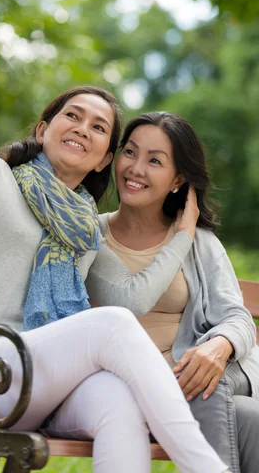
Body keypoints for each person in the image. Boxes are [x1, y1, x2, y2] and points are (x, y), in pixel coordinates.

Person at [0, 33, 231, 473]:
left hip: (43, 385)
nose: (82, 128)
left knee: (117, 399)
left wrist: (183, 234)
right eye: (72, 115)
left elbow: (128, 300)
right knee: (112, 327)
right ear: (43, 129)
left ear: (104, 159)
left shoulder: (86, 229)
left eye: (98, 127)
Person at [87, 112, 259, 473]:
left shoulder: (202, 242)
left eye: (154, 161)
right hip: (124, 389)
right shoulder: (89, 234)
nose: (136, 169)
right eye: (130, 153)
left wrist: (219, 345)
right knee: (250, 417)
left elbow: (238, 317)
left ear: (178, 179)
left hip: (201, 379)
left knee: (205, 387)